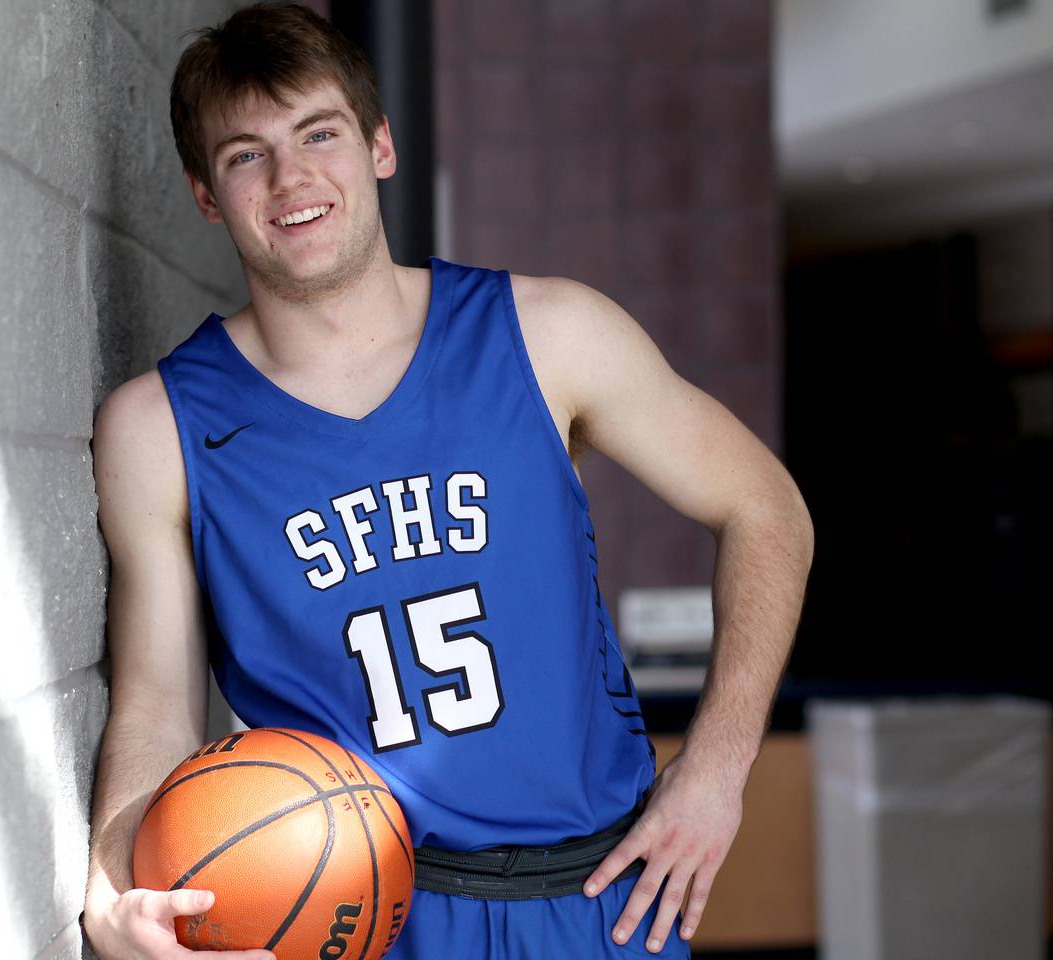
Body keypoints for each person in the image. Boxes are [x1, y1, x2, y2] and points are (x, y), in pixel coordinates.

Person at [81, 3, 813, 959]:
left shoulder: (551, 334)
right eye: (246, 155)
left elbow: (767, 507)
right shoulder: (159, 427)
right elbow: (152, 703)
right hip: (355, 918)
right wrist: (110, 892)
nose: (292, 178)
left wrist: (718, 768)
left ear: (380, 145)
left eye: (320, 134)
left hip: (601, 902)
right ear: (207, 195)